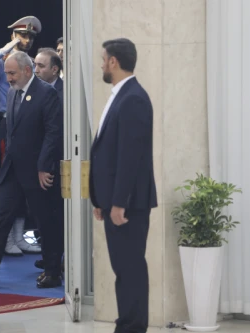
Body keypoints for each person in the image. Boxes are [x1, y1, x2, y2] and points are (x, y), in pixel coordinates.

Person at [89, 38, 157, 333]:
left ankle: (132, 326)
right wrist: (101, 200)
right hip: (115, 202)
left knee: (129, 268)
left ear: (114, 62)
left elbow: (130, 158)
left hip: (128, 204)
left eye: (104, 59)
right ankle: (126, 323)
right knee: (123, 269)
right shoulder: (122, 95)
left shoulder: (133, 98)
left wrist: (118, 202)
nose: (102, 64)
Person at [0, 51, 63, 289]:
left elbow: (53, 133)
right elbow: (12, 132)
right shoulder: (11, 93)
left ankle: (52, 272)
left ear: (27, 71)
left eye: (12, 73)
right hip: (12, 170)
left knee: (45, 221)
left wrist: (44, 167)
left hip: (37, 172)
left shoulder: (46, 93)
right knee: (0, 218)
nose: (8, 78)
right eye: (7, 73)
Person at [0, 16, 43, 257]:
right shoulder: (2, 64)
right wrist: (6, 48)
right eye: (23, 36)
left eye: (30, 37)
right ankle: (4, 240)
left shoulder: (32, 65)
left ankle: (18, 236)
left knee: (26, 181)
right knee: (8, 181)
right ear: (14, 36)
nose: (27, 40)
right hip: (8, 126)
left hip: (32, 127)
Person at [33, 47, 64, 281]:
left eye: (41, 66)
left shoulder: (65, 92)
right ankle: (51, 259)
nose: (36, 70)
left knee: (57, 217)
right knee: (45, 217)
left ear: (55, 69)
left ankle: (57, 263)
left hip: (59, 165)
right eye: (35, 65)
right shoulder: (32, 92)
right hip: (38, 164)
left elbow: (56, 132)